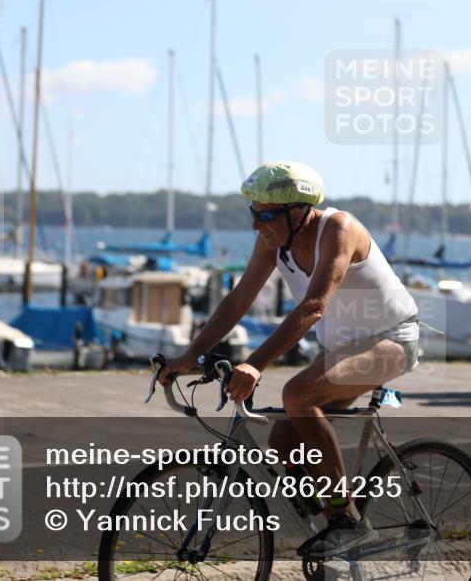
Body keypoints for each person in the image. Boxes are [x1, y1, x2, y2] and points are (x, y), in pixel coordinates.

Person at [159, 160, 419, 557]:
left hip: (392, 341)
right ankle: (329, 525)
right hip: (341, 349)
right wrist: (190, 354)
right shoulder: (272, 241)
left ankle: (347, 520)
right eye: (252, 213)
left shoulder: (339, 229)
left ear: (297, 212)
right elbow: (239, 300)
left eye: (263, 215)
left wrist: (256, 363)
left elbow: (313, 306)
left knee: (299, 395)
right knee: (282, 437)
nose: (255, 225)